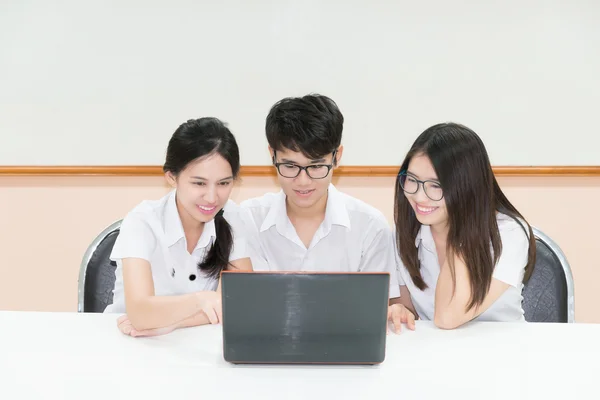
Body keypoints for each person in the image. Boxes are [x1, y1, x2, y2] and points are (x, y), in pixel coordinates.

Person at [240, 93, 405, 330]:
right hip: (268, 348)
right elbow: (246, 306)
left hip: (346, 352)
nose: (303, 181)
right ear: (272, 155)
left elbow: (380, 309)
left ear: (337, 157)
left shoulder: (370, 226)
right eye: (290, 166)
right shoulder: (248, 220)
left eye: (316, 166)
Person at [105, 117, 252, 337]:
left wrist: (170, 324)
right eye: (199, 183)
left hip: (196, 344)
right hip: (128, 343)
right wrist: (201, 301)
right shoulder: (142, 221)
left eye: (224, 183)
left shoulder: (233, 217)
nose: (212, 197)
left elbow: (237, 304)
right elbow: (139, 313)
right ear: (172, 177)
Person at [390, 122, 536, 330]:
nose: (419, 196)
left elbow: (447, 317)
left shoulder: (508, 234)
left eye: (436, 185)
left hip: (502, 353)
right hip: (433, 354)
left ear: (467, 188)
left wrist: (459, 232)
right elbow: (408, 309)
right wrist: (399, 310)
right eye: (412, 180)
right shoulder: (405, 233)